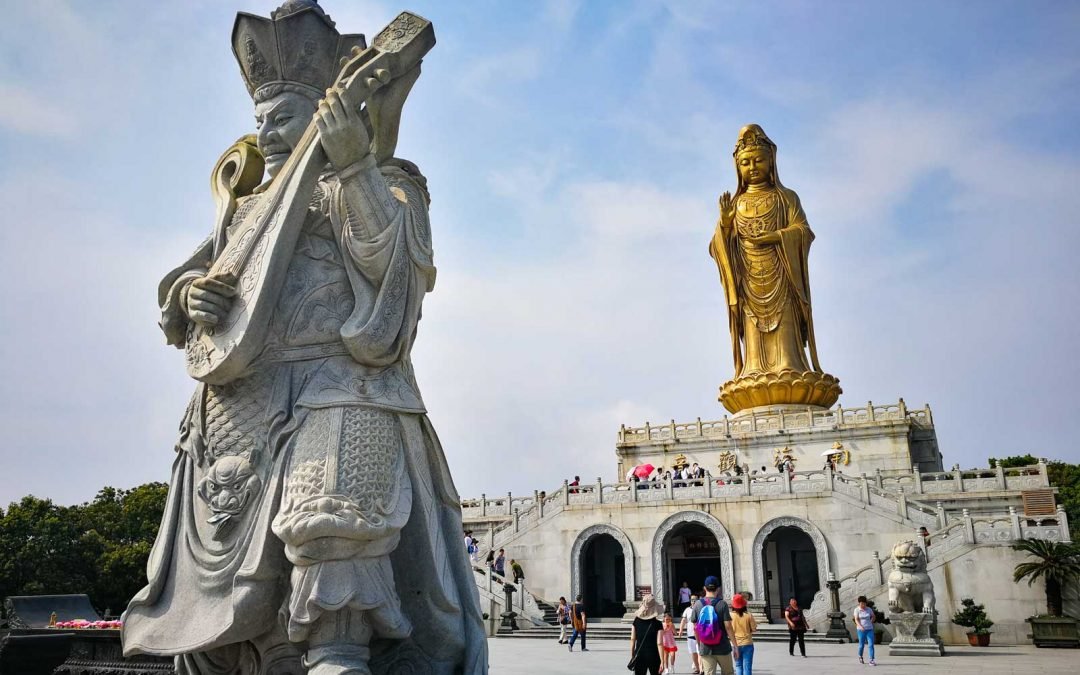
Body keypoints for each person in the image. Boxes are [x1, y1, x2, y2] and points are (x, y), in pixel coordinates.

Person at [120, 3, 487, 673]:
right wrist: (187, 296)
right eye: (260, 118)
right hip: (241, 399)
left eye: (282, 115)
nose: (266, 128)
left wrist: (354, 169)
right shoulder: (251, 207)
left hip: (338, 384)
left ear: (323, 111)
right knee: (238, 619)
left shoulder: (392, 184)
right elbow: (189, 287)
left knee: (333, 547)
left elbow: (399, 273)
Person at [690, 576, 735, 675]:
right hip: (723, 646)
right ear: (718, 588)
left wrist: (699, 644)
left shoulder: (697, 604)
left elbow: (695, 628)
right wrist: (735, 645)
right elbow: (728, 627)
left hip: (705, 647)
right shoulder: (722, 604)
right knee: (728, 673)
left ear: (704, 588)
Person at [629, 595, 662, 675]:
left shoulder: (636, 621)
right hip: (654, 655)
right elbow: (659, 643)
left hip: (639, 655)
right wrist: (663, 661)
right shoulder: (658, 624)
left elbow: (633, 639)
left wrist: (633, 655)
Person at [730, 594, 756, 675]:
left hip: (735, 644)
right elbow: (754, 629)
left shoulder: (730, 615)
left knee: (738, 666)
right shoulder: (748, 615)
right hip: (748, 643)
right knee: (747, 667)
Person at [678, 594, 701, 675]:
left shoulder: (701, 609)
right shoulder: (687, 610)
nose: (693, 601)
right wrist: (680, 630)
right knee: (693, 652)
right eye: (692, 600)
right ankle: (697, 669)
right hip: (690, 634)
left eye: (695, 599)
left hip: (699, 635)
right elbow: (683, 620)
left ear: (698, 600)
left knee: (700, 653)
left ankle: (701, 669)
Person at [853, 595, 876, 666]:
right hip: (861, 630)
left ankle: (871, 660)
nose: (863, 605)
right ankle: (860, 656)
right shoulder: (857, 610)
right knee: (861, 645)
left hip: (869, 629)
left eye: (864, 603)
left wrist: (871, 621)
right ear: (859, 603)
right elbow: (856, 619)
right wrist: (860, 626)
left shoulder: (869, 609)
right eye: (862, 603)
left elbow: (873, 616)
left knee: (871, 644)